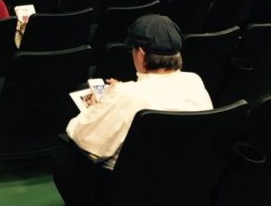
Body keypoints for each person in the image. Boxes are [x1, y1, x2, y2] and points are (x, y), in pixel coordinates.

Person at [53, 15, 212, 205]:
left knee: (62, 155)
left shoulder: (127, 95)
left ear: (141, 54)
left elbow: (84, 138)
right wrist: (120, 92)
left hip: (125, 189)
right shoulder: (194, 81)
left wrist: (96, 107)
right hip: (179, 181)